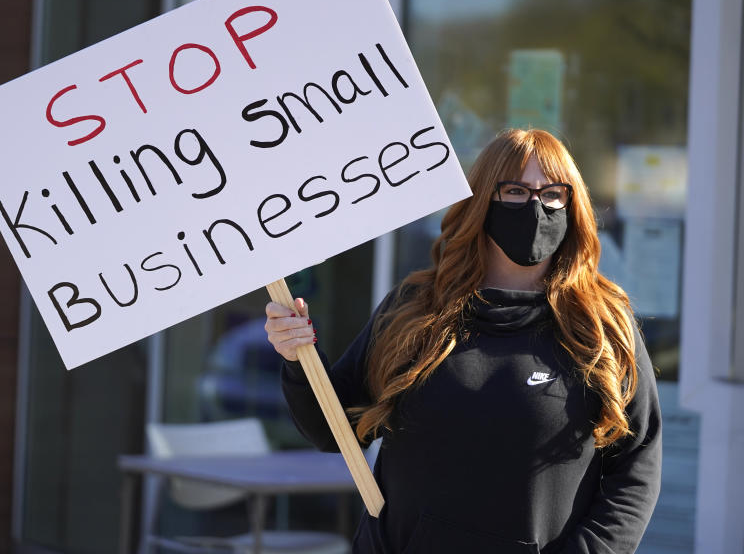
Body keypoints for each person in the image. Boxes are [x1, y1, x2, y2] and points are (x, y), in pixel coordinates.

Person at [264, 128, 661, 554]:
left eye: (552, 194)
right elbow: (334, 430)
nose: (535, 206)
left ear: (572, 204)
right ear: (481, 200)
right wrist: (298, 356)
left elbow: (635, 469)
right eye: (514, 191)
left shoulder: (599, 325)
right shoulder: (415, 308)